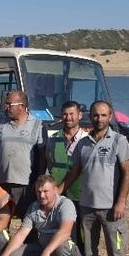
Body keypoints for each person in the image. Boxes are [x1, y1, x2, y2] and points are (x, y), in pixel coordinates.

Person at [59, 100, 129, 256]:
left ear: (110, 117)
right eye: (95, 115)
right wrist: (59, 190)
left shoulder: (119, 141)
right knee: (89, 248)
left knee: (115, 249)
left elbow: (127, 174)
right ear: (89, 116)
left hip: (111, 208)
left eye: (103, 115)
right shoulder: (83, 143)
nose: (98, 119)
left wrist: (121, 202)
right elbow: (75, 171)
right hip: (87, 206)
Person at [0, 175, 82, 256]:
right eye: (38, 192)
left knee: (61, 245)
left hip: (67, 250)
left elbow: (65, 232)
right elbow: (21, 234)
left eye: (45, 191)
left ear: (55, 190)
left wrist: (46, 252)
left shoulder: (65, 204)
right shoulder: (33, 207)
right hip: (43, 248)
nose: (41, 195)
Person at [0, 90, 43, 218]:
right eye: (6, 104)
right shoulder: (1, 125)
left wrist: (37, 181)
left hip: (25, 185)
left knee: (27, 222)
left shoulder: (38, 125)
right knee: (0, 221)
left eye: (10, 104)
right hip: (2, 183)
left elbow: (42, 157)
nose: (6, 107)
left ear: (22, 106)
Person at [42, 101, 88, 242]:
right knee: (58, 226)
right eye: (65, 114)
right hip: (58, 193)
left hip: (79, 193)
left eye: (71, 114)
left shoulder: (87, 140)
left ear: (79, 115)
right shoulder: (54, 138)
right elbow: (48, 163)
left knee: (82, 228)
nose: (68, 118)